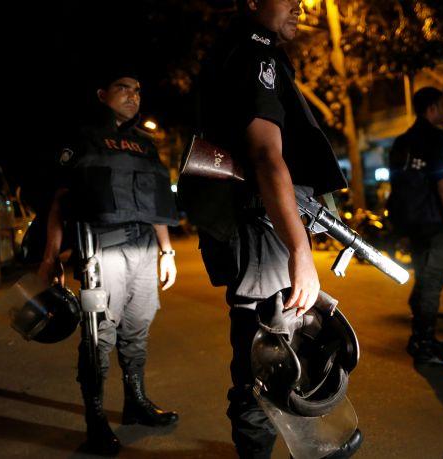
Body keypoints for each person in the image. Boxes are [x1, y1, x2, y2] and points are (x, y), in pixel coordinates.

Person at [190, 1, 358, 457]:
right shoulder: (254, 53)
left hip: (260, 229)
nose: (299, 8)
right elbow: (267, 157)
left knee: (277, 356)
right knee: (268, 364)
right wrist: (299, 250)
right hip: (262, 234)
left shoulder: (243, 50)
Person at [38, 68, 180, 454]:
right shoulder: (83, 137)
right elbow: (60, 201)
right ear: (102, 94)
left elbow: (155, 203)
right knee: (99, 336)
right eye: (123, 88)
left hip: (145, 248)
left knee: (138, 329)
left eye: (138, 89)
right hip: (103, 247)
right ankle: (95, 418)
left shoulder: (144, 144)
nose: (134, 95)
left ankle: (135, 403)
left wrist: (166, 251)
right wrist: (51, 257)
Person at [388, 86, 443, 367]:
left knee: (424, 279)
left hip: (411, 224)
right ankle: (425, 346)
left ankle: (421, 338)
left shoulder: (402, 142)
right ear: (432, 108)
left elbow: (396, 187)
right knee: (431, 284)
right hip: (433, 223)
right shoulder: (433, 138)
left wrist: (400, 231)